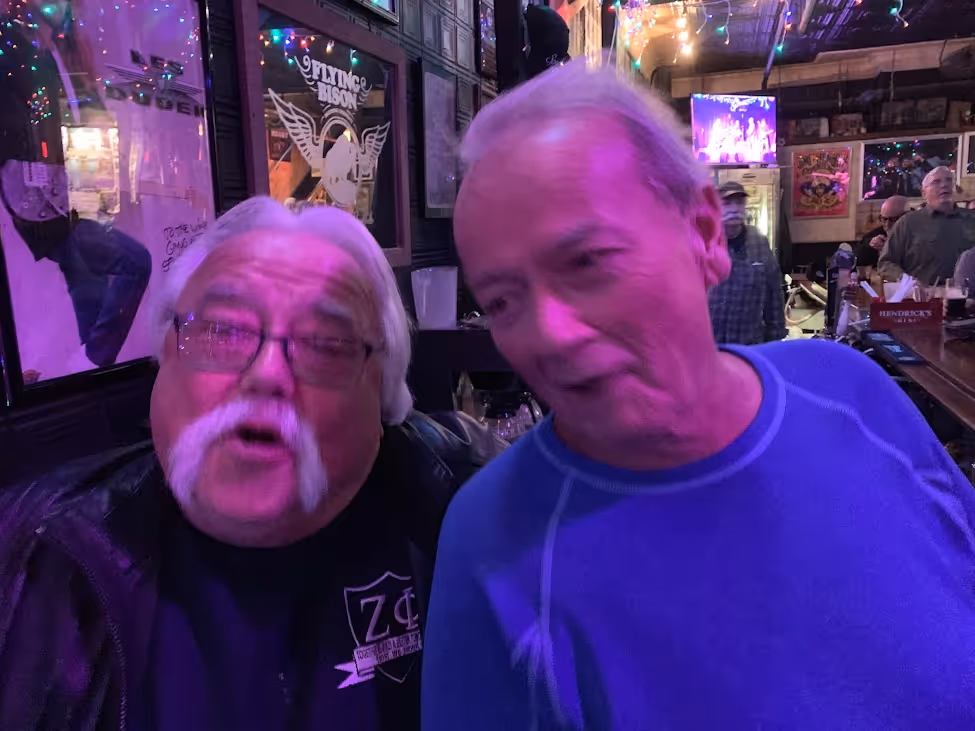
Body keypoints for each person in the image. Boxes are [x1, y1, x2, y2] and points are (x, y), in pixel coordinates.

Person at [421, 60, 975, 730]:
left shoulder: (847, 389)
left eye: (587, 261)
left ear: (704, 235)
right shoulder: (492, 538)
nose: (550, 334)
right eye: (503, 300)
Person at [0, 197, 505, 730]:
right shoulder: (32, 563)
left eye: (324, 344)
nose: (266, 374)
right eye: (221, 331)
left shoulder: (468, 515)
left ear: (383, 396)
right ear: (165, 356)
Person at [0, 0, 152, 368]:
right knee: (135, 263)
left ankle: (90, 372)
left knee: (91, 293)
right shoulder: (16, 47)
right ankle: (88, 363)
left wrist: (100, 200)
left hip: (76, 196)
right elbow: (18, 130)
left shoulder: (61, 56)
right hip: (43, 200)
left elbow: (88, 128)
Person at [707, 181, 785, 344]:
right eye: (727, 203)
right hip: (709, 345)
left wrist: (775, 340)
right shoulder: (705, 242)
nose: (734, 209)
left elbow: (774, 294)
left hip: (749, 344)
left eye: (740, 203)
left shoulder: (759, 242)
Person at [878, 166, 975, 284]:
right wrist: (908, 282)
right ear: (924, 193)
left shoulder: (971, 219)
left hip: (966, 299)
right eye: (936, 182)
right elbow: (885, 264)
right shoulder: (908, 222)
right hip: (924, 299)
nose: (944, 185)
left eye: (949, 180)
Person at [854, 194, 907, 268]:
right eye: (884, 219)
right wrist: (870, 246)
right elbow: (855, 259)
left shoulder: (918, 235)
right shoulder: (874, 235)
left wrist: (888, 250)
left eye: (893, 219)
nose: (887, 225)